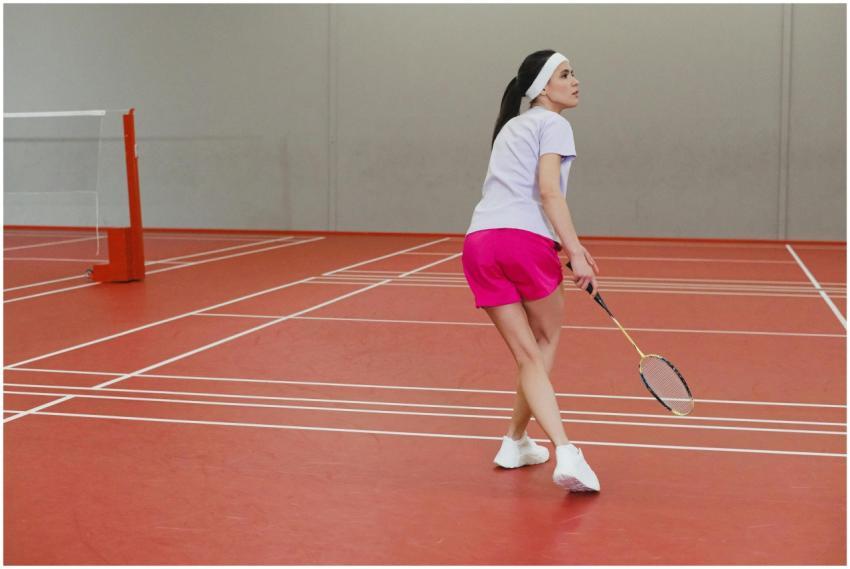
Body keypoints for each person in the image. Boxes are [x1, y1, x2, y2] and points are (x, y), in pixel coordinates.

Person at [461, 50, 601, 492]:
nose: (575, 80)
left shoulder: (511, 128)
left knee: (527, 356)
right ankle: (567, 451)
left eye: (574, 73)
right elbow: (548, 193)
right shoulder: (554, 124)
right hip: (523, 241)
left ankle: (515, 442)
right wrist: (576, 251)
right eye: (565, 74)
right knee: (543, 343)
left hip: (479, 243)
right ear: (542, 87)